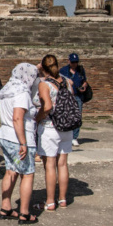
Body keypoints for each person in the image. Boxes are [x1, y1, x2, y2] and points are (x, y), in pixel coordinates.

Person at [0, 63, 40, 225]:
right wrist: (23, 142)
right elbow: (17, 118)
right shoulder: (21, 93)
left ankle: (6, 206)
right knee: (27, 174)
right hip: (19, 138)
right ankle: (24, 212)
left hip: (5, 136)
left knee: (11, 170)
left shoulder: (7, 91)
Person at [34, 54, 74, 211]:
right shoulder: (67, 82)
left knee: (50, 165)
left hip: (50, 126)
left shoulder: (45, 84)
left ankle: (50, 201)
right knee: (62, 164)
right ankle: (62, 199)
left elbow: (48, 106)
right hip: (66, 127)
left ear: (43, 68)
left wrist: (38, 118)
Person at [59, 53, 89, 146]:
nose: (74, 64)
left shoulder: (80, 70)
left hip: (78, 95)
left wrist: (84, 86)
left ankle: (74, 137)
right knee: (66, 115)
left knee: (77, 116)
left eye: (76, 62)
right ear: (69, 61)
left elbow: (85, 81)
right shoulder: (63, 70)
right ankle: (65, 135)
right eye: (73, 62)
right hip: (67, 96)